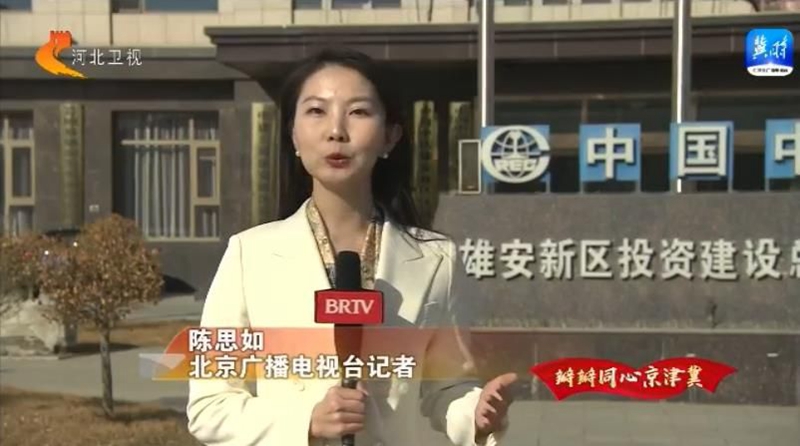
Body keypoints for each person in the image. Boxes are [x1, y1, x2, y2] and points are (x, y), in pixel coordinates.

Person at [186, 47, 518, 446]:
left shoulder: (435, 260)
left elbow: (446, 388)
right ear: (293, 135)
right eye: (316, 111)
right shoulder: (249, 255)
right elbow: (210, 405)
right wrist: (306, 423)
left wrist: (476, 413)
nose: (336, 131)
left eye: (358, 112)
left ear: (390, 136)